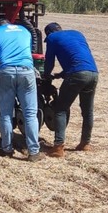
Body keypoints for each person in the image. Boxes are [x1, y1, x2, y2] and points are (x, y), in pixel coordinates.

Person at [0, 18, 43, 161]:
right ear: (10, 24)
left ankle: (7, 149)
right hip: (27, 72)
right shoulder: (25, 31)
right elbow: (28, 50)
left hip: (6, 72)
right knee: (30, 114)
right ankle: (34, 152)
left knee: (6, 114)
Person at [42, 22, 99, 157]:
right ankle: (85, 144)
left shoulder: (52, 38)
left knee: (61, 109)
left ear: (49, 33)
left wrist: (46, 76)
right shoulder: (77, 34)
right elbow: (79, 58)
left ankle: (58, 147)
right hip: (93, 73)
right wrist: (61, 74)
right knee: (87, 111)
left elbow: (49, 61)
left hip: (77, 75)